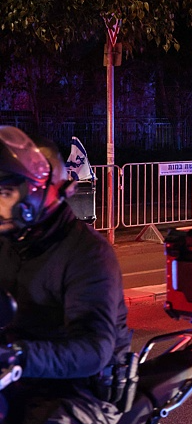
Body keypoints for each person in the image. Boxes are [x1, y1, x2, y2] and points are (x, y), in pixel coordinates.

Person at [0, 127, 132, 424]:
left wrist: (17, 355)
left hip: (80, 388)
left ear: (38, 192)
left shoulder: (88, 253)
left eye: (5, 193)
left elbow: (93, 349)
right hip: (20, 374)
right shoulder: (10, 242)